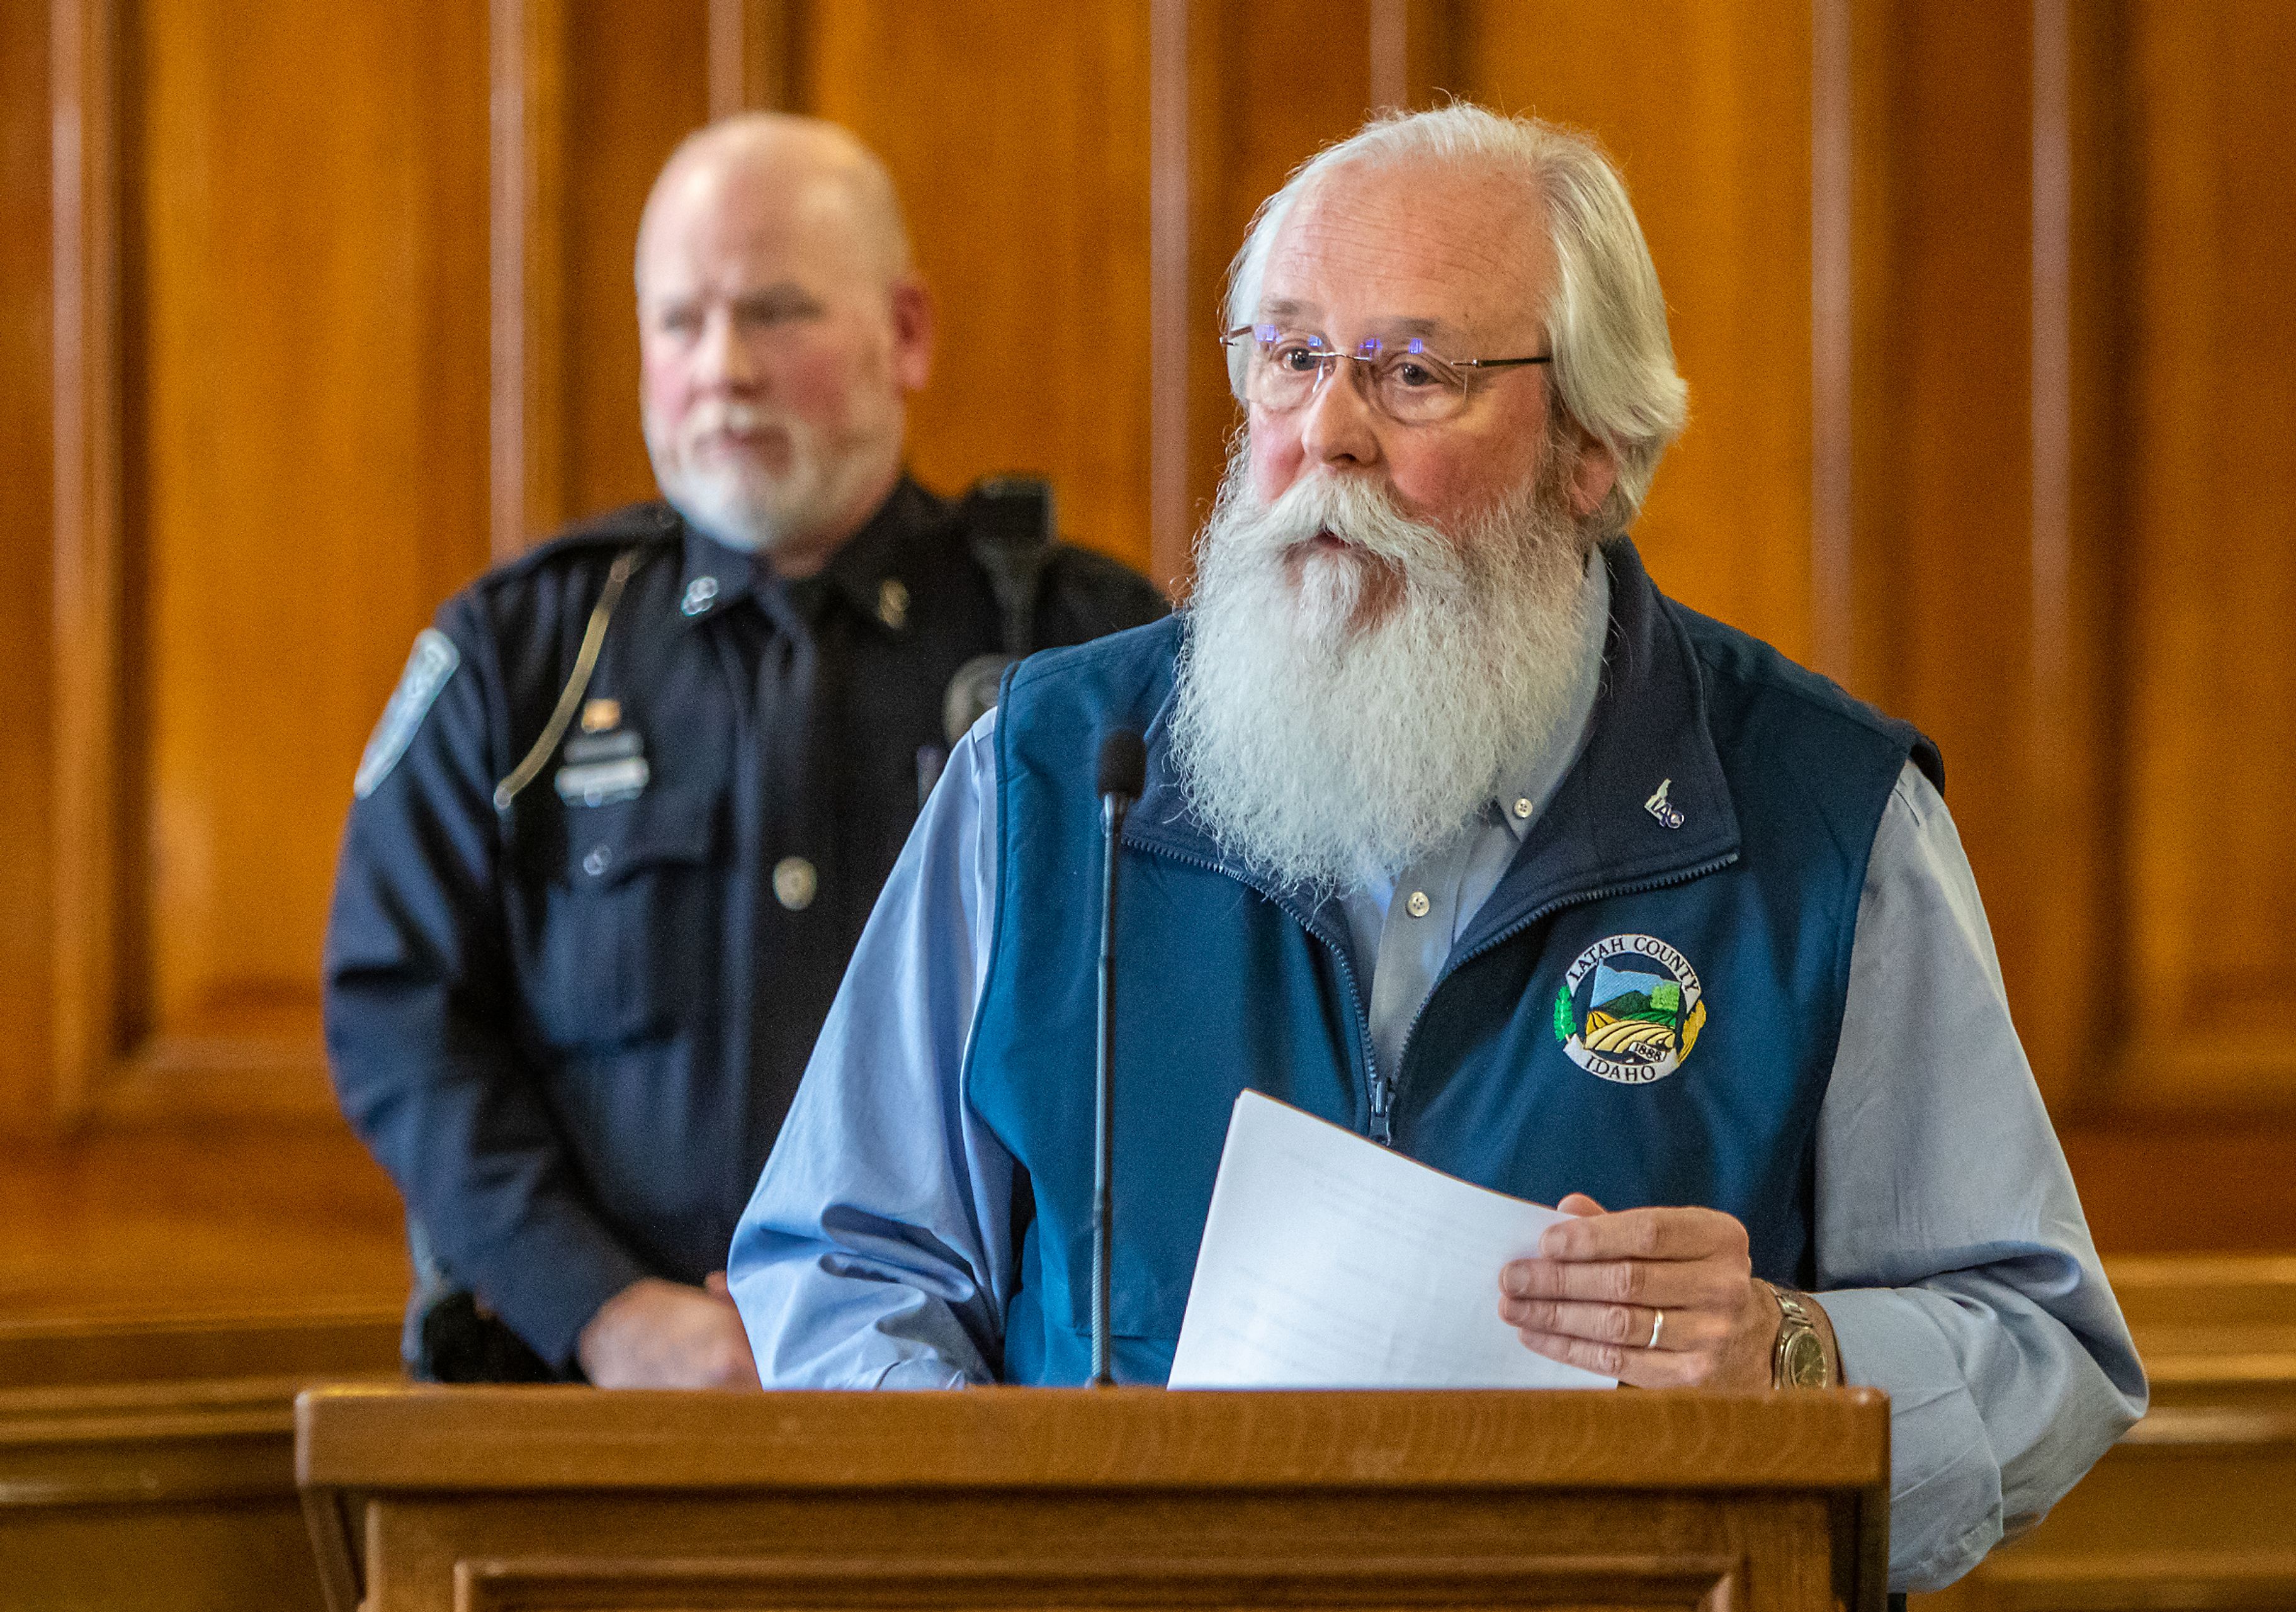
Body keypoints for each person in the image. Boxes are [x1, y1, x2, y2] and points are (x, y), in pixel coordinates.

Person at [725, 104, 2146, 1591]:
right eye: (1288, 355)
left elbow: (2044, 1345)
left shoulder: (1816, 812)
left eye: (1415, 375)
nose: (1326, 433)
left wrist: (1794, 1357)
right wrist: (1010, 1545)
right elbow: (845, 1262)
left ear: (1593, 450)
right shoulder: (1055, 770)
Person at [324, 113, 1165, 1389]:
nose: (724, 368)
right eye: (680, 321)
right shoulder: (527, 655)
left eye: (776, 313)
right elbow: (399, 1018)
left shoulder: (1076, 650)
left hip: (972, 1418)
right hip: (596, 1413)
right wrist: (603, 1310)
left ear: (908, 332)